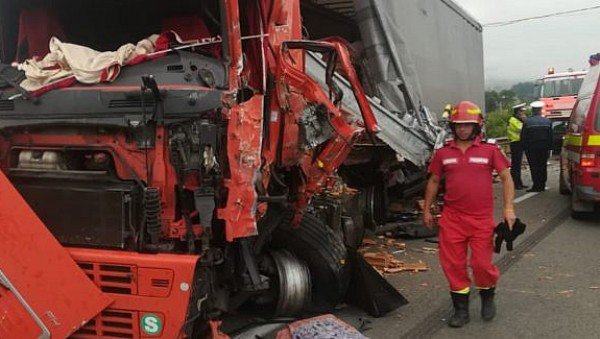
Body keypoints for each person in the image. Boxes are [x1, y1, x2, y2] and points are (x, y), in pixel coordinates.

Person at [422, 101, 516, 328]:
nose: (463, 129)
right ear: (453, 127)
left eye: (467, 125)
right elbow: (433, 181)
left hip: (481, 219)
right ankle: (461, 310)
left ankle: (487, 297)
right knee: (453, 265)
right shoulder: (443, 153)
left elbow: (506, 178)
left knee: (482, 264)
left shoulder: (490, 150)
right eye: (459, 125)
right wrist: (427, 209)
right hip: (452, 219)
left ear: (477, 126)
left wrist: (508, 208)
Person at [520, 101, 552, 192]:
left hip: (531, 149)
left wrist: (524, 148)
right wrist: (550, 148)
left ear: (533, 110)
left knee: (534, 167)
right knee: (542, 166)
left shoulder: (527, 122)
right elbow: (550, 136)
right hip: (544, 148)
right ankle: (542, 185)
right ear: (540, 110)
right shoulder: (547, 121)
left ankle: (536, 186)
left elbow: (523, 136)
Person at [507, 103, 528, 189]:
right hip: (515, 143)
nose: (523, 113)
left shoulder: (517, 120)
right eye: (521, 111)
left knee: (518, 164)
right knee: (516, 164)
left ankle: (519, 182)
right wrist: (525, 120)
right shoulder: (513, 120)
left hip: (519, 143)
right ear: (517, 112)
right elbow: (522, 128)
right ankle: (516, 183)